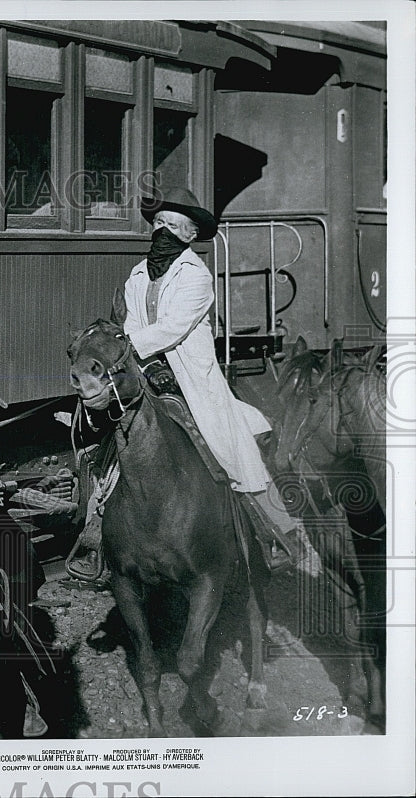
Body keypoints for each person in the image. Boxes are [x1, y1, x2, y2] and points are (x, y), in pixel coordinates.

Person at [120, 186, 304, 569]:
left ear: (189, 236)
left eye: (174, 226)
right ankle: (96, 533)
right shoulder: (137, 276)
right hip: (146, 373)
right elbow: (133, 322)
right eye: (159, 223)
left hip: (191, 381)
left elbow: (173, 327)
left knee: (231, 452)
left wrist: (131, 346)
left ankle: (275, 532)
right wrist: (141, 359)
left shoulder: (197, 277)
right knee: (112, 443)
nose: (163, 233)